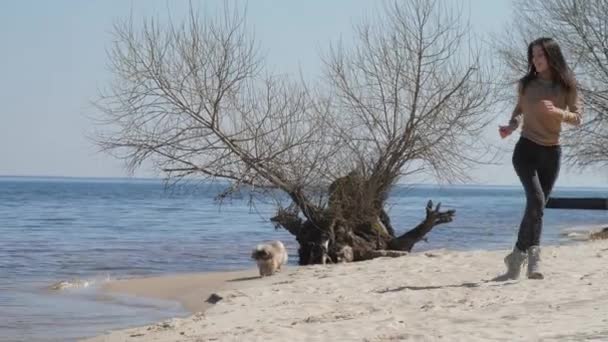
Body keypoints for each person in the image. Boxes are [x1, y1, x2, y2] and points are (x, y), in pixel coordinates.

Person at [497, 37, 582, 280]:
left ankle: (516, 256)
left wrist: (557, 112)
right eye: (533, 56)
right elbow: (519, 112)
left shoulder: (567, 85)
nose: (536, 60)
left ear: (552, 56)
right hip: (525, 151)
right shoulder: (526, 84)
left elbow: (577, 118)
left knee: (537, 207)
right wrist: (510, 126)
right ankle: (534, 259)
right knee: (536, 201)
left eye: (540, 55)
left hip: (551, 153)